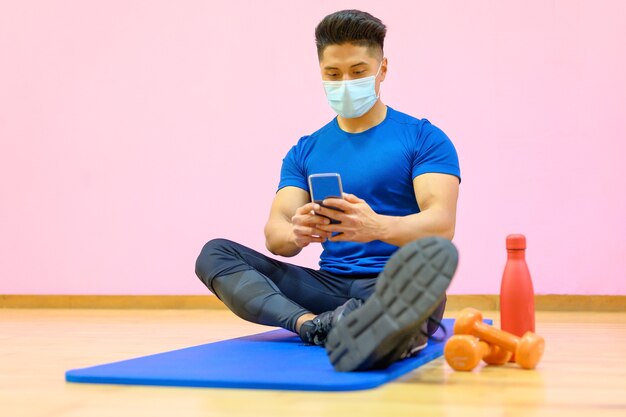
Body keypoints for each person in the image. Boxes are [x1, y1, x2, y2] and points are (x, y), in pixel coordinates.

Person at [195, 9, 461, 372]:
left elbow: (442, 224)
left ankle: (377, 327)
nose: (345, 82)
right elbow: (276, 237)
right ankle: (313, 326)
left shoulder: (423, 138)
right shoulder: (305, 149)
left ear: (382, 69)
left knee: (418, 294)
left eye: (358, 71)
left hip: (393, 286)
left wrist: (376, 227)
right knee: (215, 254)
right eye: (333, 74)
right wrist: (298, 231)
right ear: (321, 73)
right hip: (328, 288)